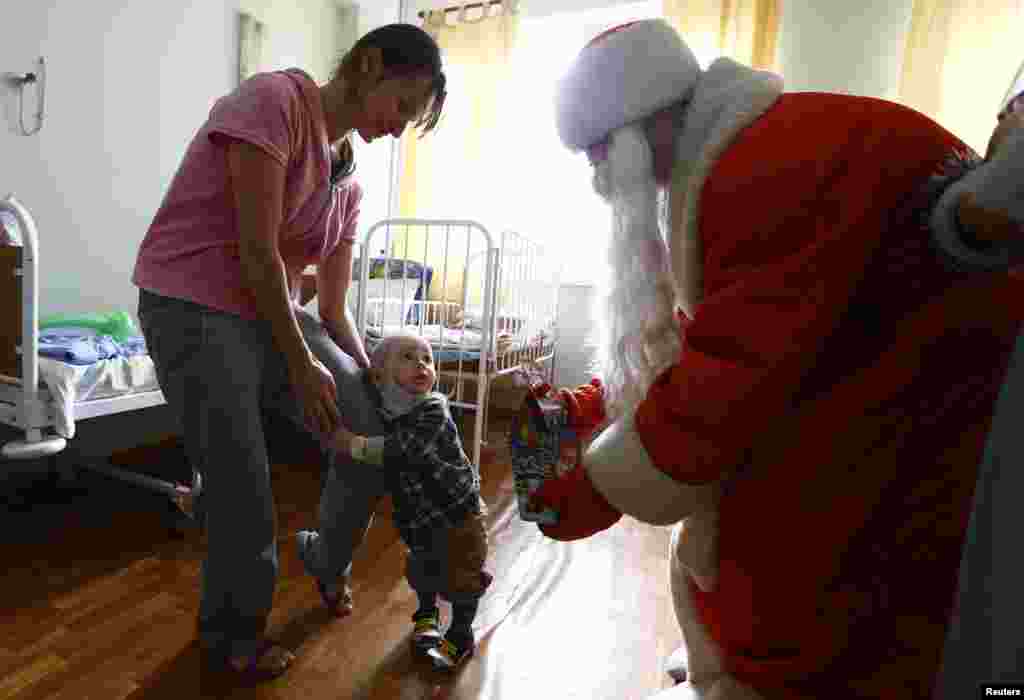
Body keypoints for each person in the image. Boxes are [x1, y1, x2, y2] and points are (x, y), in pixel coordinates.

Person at [529, 18, 1024, 699]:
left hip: (929, 415)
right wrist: (598, 404)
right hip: (899, 383)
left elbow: (719, 388)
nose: (596, 180)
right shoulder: (745, 152)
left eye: (597, 156)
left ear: (638, 131)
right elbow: (702, 333)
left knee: (801, 586)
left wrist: (595, 486)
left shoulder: (765, 170)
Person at [131, 23, 447, 680]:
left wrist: (377, 378)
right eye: (403, 105)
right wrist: (300, 365)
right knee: (242, 482)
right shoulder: (273, 104)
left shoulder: (350, 187)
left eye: (412, 119)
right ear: (366, 66)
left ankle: (326, 555)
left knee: (365, 414)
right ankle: (230, 643)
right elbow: (257, 253)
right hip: (193, 303)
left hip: (260, 310)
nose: (398, 127)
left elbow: (331, 310)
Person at [301, 332, 491, 671]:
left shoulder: (435, 410)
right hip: (419, 520)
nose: (421, 364)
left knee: (463, 578)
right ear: (379, 375)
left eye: (427, 359)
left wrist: (353, 444)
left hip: (458, 516)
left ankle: (461, 634)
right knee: (422, 572)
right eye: (407, 357)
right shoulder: (385, 410)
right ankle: (426, 616)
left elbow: (403, 449)